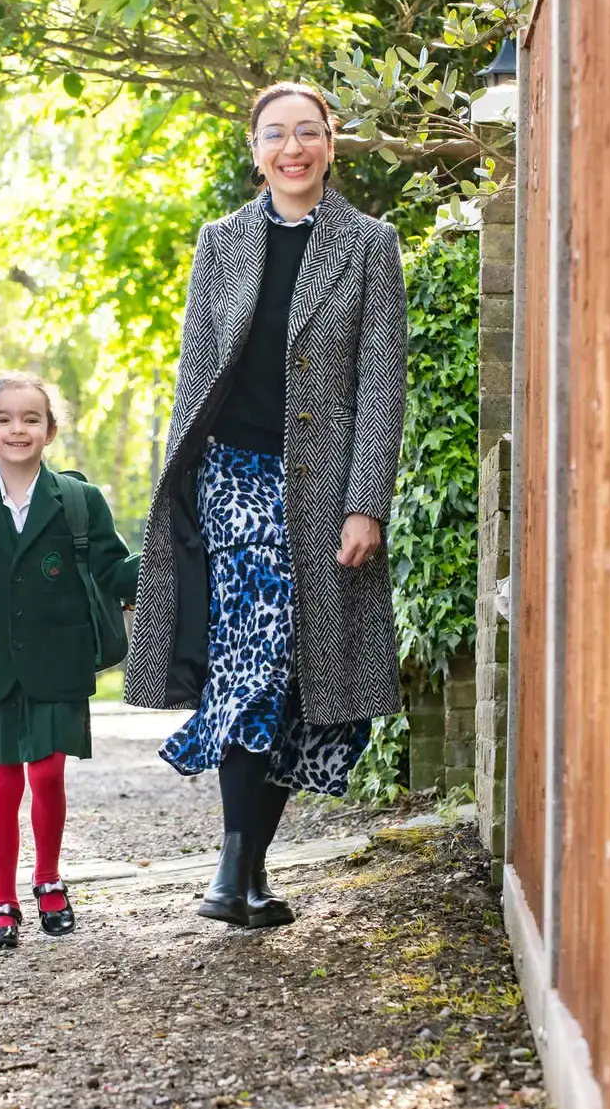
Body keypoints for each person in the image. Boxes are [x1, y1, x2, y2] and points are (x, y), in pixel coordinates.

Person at [125, 81, 409, 929]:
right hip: (234, 477)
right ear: (256, 150)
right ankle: (230, 872)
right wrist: (178, 487)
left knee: (300, 676)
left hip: (324, 489)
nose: (293, 148)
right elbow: (194, 371)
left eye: (308, 132)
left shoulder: (369, 244)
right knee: (255, 654)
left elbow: (381, 384)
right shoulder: (221, 242)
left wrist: (366, 503)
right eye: (276, 134)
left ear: (330, 144)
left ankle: (246, 873)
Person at [0, 373, 139, 950]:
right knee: (4, 783)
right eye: (4, 419)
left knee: (48, 774)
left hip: (60, 660)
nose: (18, 429)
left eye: (31, 418)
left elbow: (114, 571)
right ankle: (2, 901)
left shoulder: (80, 501)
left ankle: (49, 880)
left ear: (50, 431)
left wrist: (167, 557)